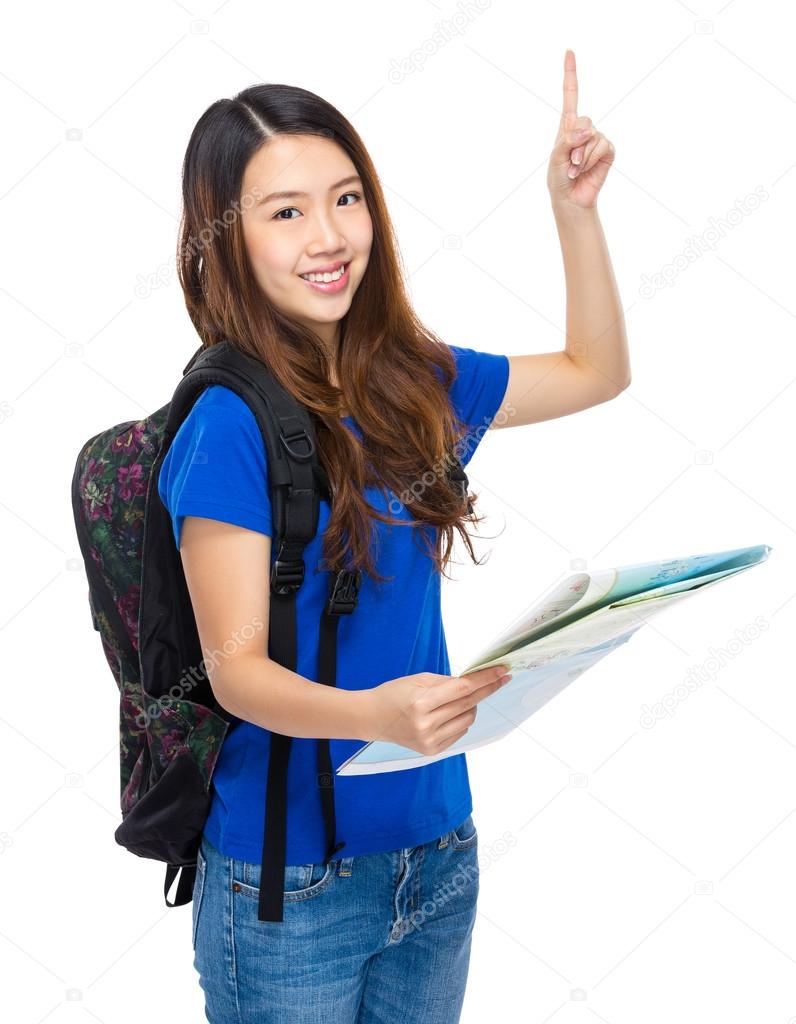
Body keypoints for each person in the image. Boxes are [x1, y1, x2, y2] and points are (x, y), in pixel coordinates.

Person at [160, 49, 628, 1024]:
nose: (329, 236)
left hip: (436, 846)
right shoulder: (227, 426)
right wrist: (376, 714)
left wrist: (573, 212)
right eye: (284, 212)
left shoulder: (409, 373)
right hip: (289, 883)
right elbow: (236, 673)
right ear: (226, 239)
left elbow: (595, 371)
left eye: (346, 198)